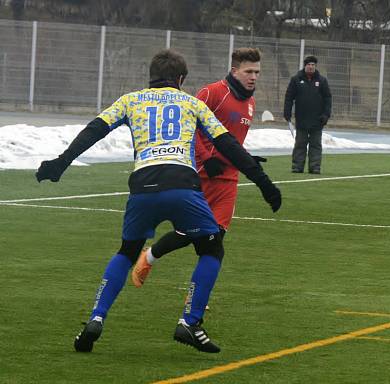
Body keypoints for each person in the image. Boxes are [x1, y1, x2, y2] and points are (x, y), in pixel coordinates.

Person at [35, 49, 282, 354]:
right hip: (182, 185)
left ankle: (96, 318)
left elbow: (95, 130)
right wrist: (264, 182)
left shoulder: (131, 100)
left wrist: (61, 162)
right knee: (211, 247)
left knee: (126, 252)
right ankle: (190, 322)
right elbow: (227, 144)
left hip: (143, 187)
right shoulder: (191, 103)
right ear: (181, 79)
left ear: (150, 77)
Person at [131, 47, 266, 287]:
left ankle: (195, 303)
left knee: (214, 243)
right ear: (235, 71)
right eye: (248, 71)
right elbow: (189, 126)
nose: (253, 77)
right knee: (189, 233)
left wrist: (246, 159)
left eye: (257, 72)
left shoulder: (251, 103)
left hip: (228, 182)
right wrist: (206, 158)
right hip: (200, 177)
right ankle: (149, 256)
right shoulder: (212, 93)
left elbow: (231, 140)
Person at [284, 55, 332, 174]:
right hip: (301, 119)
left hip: (318, 120)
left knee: (315, 144)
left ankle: (315, 167)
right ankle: (297, 166)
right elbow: (289, 97)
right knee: (300, 143)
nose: (311, 67)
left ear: (315, 66)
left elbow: (328, 98)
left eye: (313, 65)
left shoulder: (322, 81)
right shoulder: (296, 79)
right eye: (309, 65)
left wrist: (326, 115)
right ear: (305, 66)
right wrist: (287, 112)